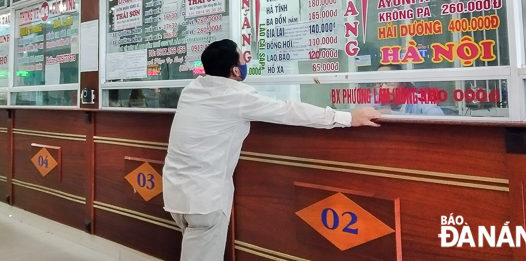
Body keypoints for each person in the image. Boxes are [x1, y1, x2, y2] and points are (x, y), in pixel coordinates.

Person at [162, 39, 381, 261]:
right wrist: (348, 117)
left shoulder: (191, 90)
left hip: (175, 196)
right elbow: (288, 111)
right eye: (242, 57)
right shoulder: (237, 97)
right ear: (235, 70)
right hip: (204, 201)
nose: (246, 60)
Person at [375, 64, 444, 116]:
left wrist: (392, 114)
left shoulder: (420, 100)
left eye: (389, 82)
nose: (383, 88)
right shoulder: (375, 101)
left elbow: (439, 117)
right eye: (378, 83)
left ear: (403, 84)